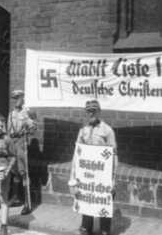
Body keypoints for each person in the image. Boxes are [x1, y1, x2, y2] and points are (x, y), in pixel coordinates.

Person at [70, 100, 118, 235]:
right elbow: (77, 153)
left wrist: (114, 178)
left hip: (104, 177)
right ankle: (86, 228)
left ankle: (105, 229)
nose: (91, 113)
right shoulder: (83, 131)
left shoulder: (107, 131)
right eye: (89, 111)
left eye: (94, 111)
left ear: (99, 112)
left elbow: (114, 155)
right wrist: (72, 174)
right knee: (86, 201)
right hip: (87, 177)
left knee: (104, 203)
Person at [7, 89, 36, 215]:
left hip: (21, 143)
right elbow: (8, 130)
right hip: (12, 143)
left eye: (17, 97)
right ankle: (16, 198)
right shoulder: (11, 113)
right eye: (13, 98)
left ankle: (27, 203)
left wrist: (27, 123)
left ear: (23, 98)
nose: (15, 100)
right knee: (15, 171)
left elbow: (33, 129)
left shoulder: (26, 112)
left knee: (23, 172)